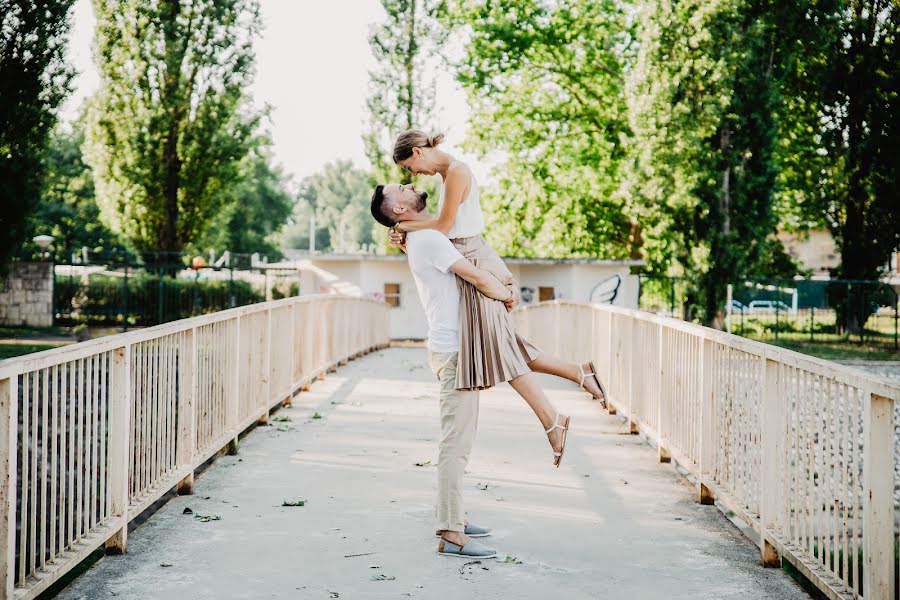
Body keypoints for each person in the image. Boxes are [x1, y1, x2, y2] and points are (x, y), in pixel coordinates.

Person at [386, 130, 607, 464]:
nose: (414, 175)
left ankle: (556, 415)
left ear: (418, 151)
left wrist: (403, 227)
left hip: (474, 261)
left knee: (498, 346)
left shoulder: (457, 171)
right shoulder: (449, 174)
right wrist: (407, 230)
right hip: (471, 259)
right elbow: (444, 227)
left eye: (410, 168)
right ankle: (576, 379)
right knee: (502, 343)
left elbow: (444, 226)